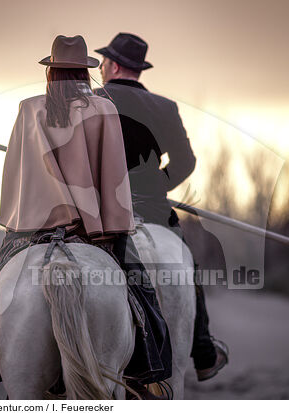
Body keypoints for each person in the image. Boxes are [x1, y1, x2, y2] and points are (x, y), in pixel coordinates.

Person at [0, 35, 172, 400]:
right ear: (86, 72)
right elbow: (113, 174)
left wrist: (19, 217)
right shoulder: (103, 109)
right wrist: (111, 226)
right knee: (142, 291)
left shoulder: (29, 108)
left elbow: (18, 171)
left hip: (33, 227)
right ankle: (150, 374)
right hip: (93, 230)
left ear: (51, 71)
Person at [94, 32, 229, 381]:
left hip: (103, 209)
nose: (103, 67)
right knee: (186, 266)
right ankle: (203, 352)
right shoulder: (165, 107)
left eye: (105, 61)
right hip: (153, 210)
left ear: (115, 65)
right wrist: (156, 186)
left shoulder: (95, 100)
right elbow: (185, 161)